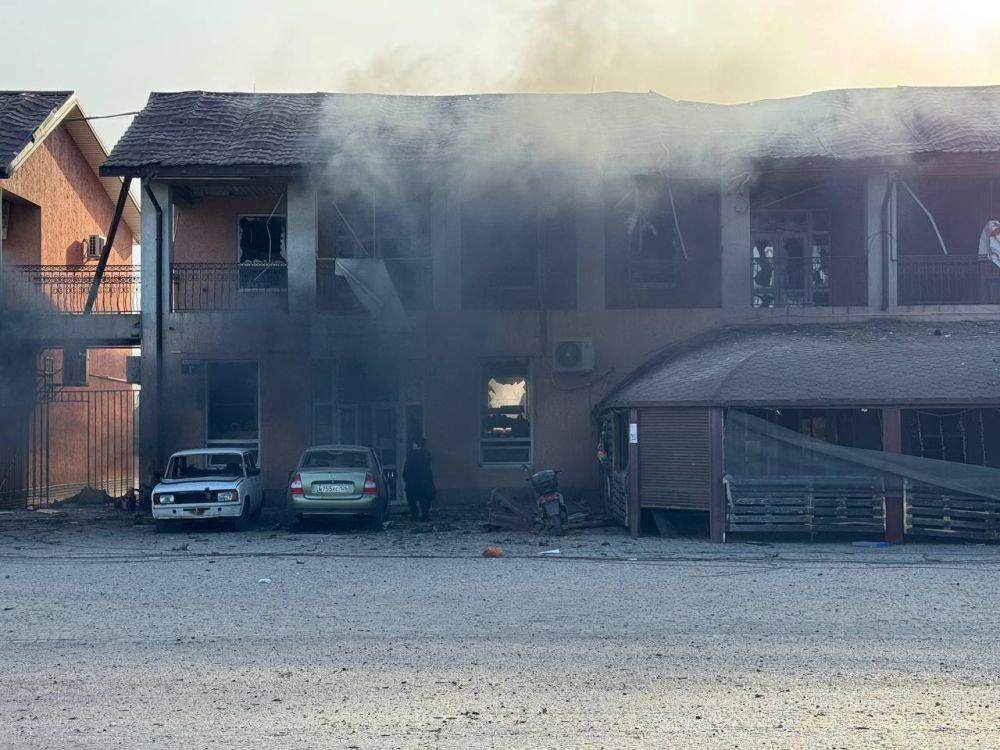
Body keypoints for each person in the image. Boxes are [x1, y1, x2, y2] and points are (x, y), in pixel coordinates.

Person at [403, 437, 436, 522]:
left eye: (414, 443)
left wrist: (406, 477)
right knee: (425, 499)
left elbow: (407, 467)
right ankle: (425, 516)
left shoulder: (411, 454)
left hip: (413, 481)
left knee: (411, 498)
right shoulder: (427, 454)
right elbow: (428, 468)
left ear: (416, 444)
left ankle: (414, 515)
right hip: (425, 481)